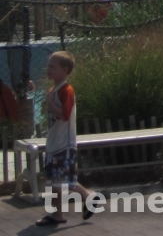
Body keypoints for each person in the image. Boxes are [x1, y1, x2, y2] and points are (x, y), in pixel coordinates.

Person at [34, 51, 98, 227]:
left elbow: (65, 115)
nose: (48, 69)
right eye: (48, 65)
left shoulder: (66, 90)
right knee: (55, 180)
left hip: (64, 144)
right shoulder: (52, 90)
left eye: (52, 66)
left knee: (64, 180)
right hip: (54, 143)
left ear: (64, 70)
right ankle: (58, 214)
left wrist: (51, 104)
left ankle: (88, 196)